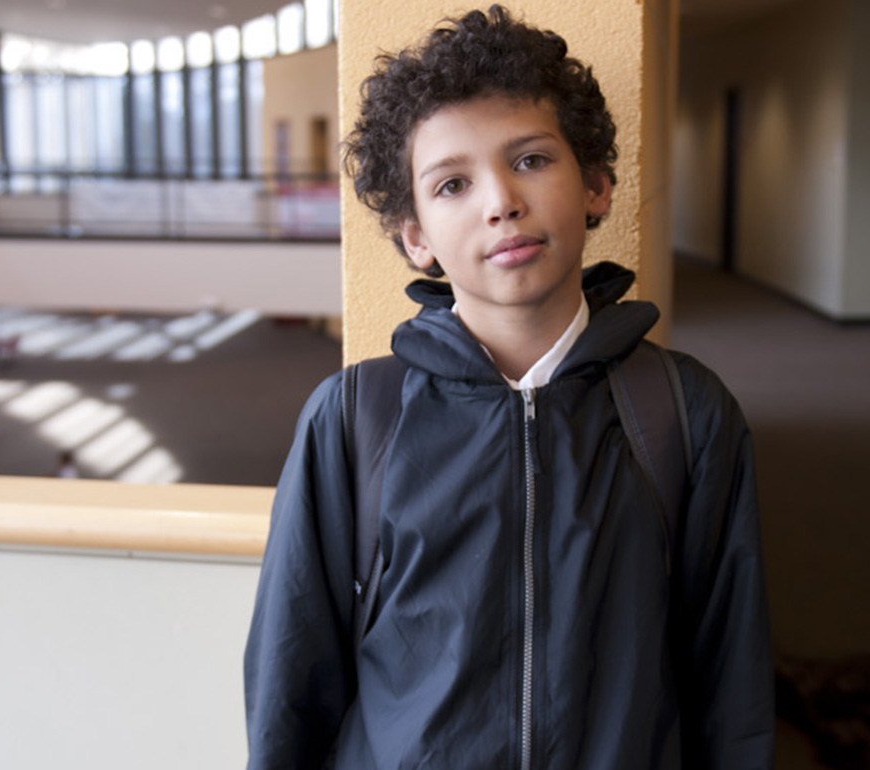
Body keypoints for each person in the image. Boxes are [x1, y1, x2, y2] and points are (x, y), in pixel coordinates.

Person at [244, 6, 774, 769]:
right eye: (453, 183)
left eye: (530, 160)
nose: (500, 201)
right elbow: (289, 687)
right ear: (416, 235)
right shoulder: (356, 420)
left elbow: (733, 688)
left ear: (595, 184)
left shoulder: (684, 413)